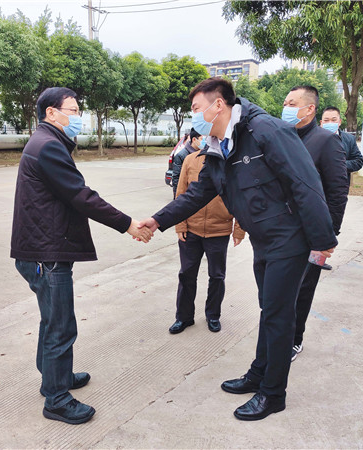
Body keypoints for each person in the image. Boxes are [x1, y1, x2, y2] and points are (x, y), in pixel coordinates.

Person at [139, 77, 337, 421]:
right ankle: (258, 373)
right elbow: (199, 192)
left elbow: (305, 183)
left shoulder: (267, 131)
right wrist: (158, 220)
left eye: (196, 108)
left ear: (219, 105)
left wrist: (323, 241)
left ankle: (273, 394)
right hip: (264, 239)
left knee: (278, 316)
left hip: (289, 239)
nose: (194, 115)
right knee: (268, 310)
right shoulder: (219, 145)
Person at [10, 87, 152, 425]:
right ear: (51, 113)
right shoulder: (48, 147)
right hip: (46, 254)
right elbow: (81, 196)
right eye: (72, 111)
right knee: (60, 326)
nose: (78, 117)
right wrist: (128, 224)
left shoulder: (45, 142)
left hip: (42, 250)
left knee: (52, 320)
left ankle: (54, 378)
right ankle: (57, 399)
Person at [282, 86, 349, 362]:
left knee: (303, 288)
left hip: (313, 234)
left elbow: (337, 192)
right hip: (282, 231)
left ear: (310, 108)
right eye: (285, 103)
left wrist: (328, 236)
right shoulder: (283, 137)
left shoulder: (325, 141)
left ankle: (294, 339)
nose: (286, 108)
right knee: (280, 290)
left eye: (292, 103)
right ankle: (279, 336)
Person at [169, 146, 246, 334]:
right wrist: (180, 224)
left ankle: (213, 315)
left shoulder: (230, 162)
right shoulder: (190, 160)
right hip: (191, 229)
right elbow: (181, 193)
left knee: (217, 276)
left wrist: (239, 230)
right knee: (186, 274)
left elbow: (240, 197)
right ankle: (184, 317)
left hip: (219, 230)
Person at [320, 106, 363, 184]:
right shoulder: (313, 138)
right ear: (321, 122)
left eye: (334, 120)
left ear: (339, 122)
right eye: (326, 120)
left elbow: (358, 161)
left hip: (340, 185)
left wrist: (339, 165)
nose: (330, 123)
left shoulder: (349, 139)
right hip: (318, 186)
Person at [172, 128, 202, 198]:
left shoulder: (203, 154)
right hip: (188, 196)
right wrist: (178, 199)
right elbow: (177, 179)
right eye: (202, 139)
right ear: (194, 139)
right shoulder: (182, 156)